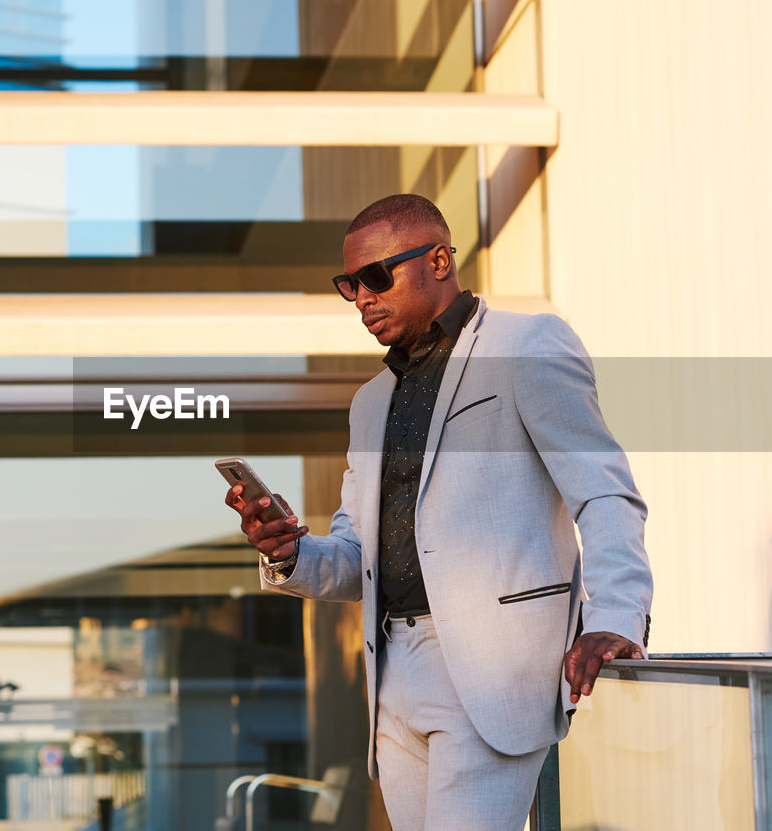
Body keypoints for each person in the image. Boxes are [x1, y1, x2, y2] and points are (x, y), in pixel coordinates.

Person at [224, 194, 653, 830]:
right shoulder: (370, 403)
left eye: (377, 277)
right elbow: (354, 559)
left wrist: (617, 617)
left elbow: (603, 489)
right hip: (393, 675)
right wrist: (287, 551)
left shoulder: (527, 344)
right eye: (350, 285)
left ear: (441, 259)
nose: (362, 298)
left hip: (493, 667)